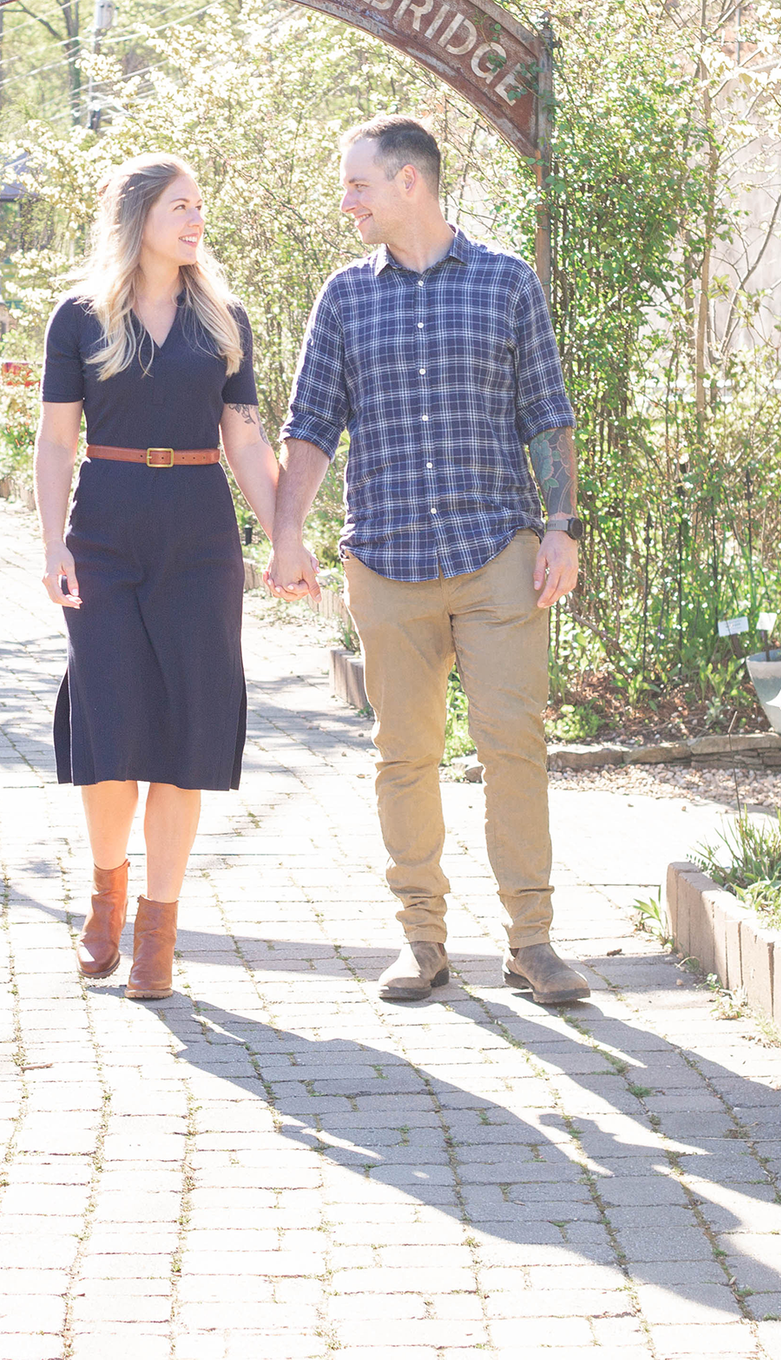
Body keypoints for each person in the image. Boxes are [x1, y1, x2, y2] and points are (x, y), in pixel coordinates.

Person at [266, 114, 591, 1006]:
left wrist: (562, 524)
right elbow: (309, 427)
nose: (347, 201)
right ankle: (422, 938)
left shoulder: (505, 283)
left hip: (496, 552)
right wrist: (288, 532)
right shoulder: (344, 297)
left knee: (513, 743)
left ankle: (532, 940)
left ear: (410, 182)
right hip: (387, 557)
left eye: (358, 184)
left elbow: (547, 412)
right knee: (403, 754)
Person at [34, 153, 283, 1001]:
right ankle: (106, 891)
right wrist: (51, 544)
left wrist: (287, 535)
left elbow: (246, 439)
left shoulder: (223, 319)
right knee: (112, 734)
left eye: (199, 206)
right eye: (181, 205)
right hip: (102, 532)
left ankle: (158, 932)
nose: (196, 218)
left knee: (185, 737)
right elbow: (57, 441)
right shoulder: (79, 318)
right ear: (139, 216)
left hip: (200, 536)